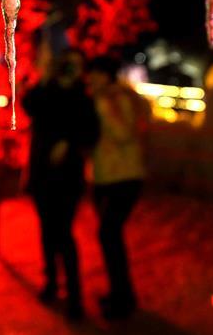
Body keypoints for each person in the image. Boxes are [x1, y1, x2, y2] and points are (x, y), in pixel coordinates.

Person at [23, 46, 99, 320]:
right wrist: (45, 77)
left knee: (63, 233)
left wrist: (70, 143)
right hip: (42, 174)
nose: (71, 71)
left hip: (68, 177)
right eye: (68, 66)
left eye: (76, 67)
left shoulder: (84, 99)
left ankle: (74, 295)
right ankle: (52, 282)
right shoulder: (47, 93)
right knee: (47, 230)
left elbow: (92, 133)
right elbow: (28, 105)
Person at [87, 55, 147, 319]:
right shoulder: (99, 98)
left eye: (95, 73)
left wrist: (101, 108)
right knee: (110, 238)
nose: (90, 78)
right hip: (103, 177)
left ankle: (123, 298)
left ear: (106, 75)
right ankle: (120, 293)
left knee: (108, 234)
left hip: (124, 177)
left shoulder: (114, 99)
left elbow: (124, 134)